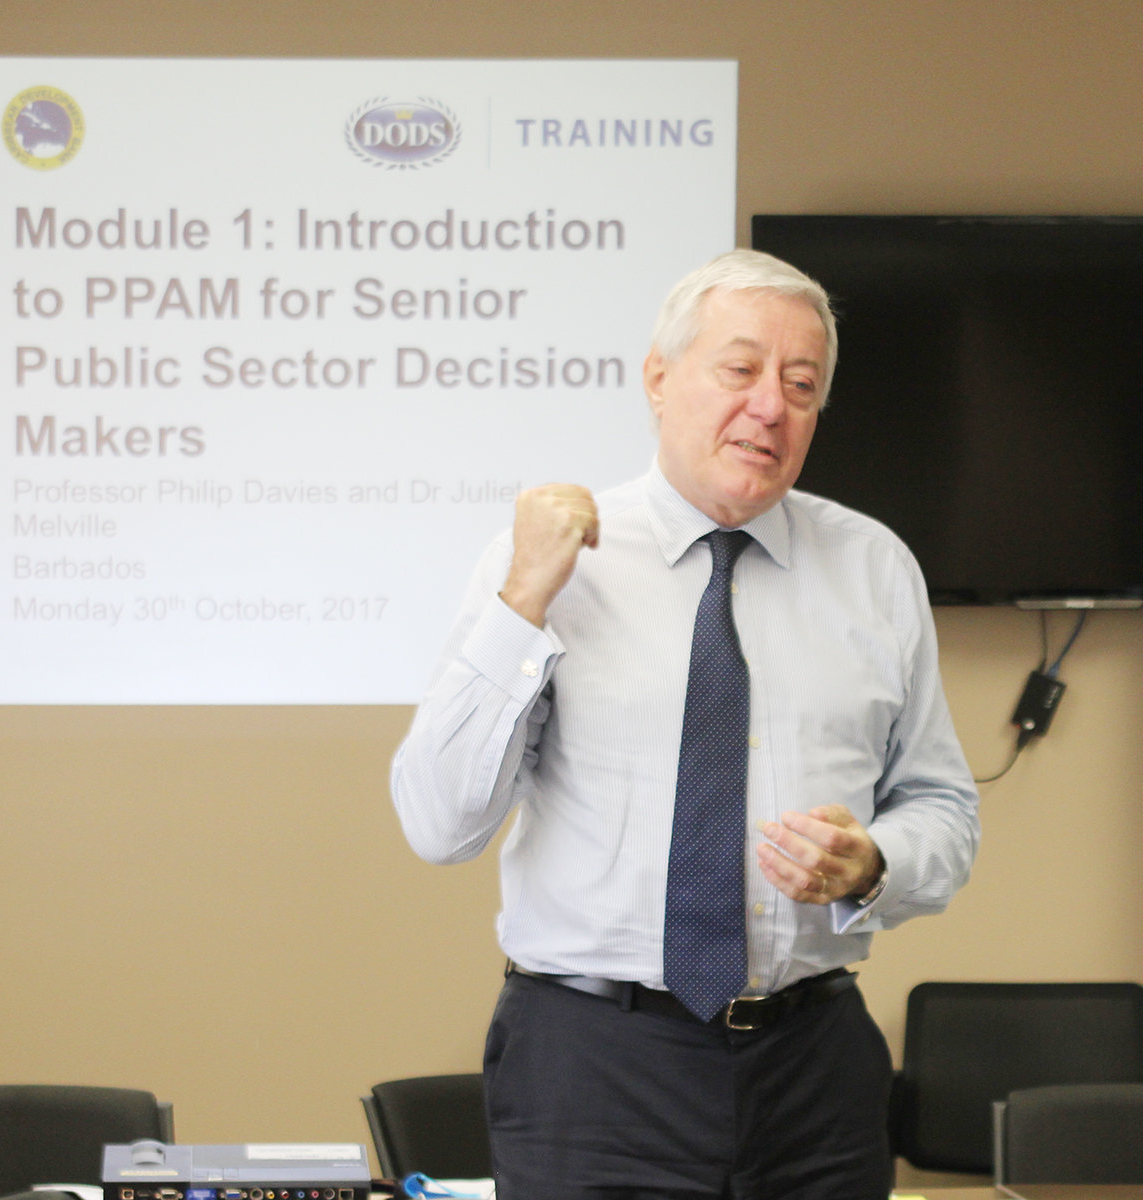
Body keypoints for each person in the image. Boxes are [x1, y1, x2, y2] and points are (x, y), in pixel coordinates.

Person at [391, 249, 981, 1199]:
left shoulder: (874, 567)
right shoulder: (545, 560)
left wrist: (876, 861)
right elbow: (439, 823)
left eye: (802, 385)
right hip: (597, 1066)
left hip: (816, 1068)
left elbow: (943, 805)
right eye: (740, 370)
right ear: (659, 380)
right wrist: (522, 602)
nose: (770, 407)